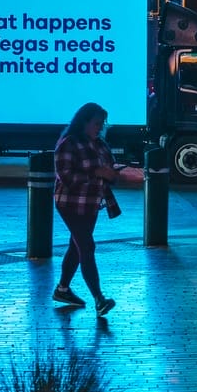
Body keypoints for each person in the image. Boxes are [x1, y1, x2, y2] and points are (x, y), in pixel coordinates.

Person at [52, 102, 119, 316]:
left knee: (77, 245)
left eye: (102, 124)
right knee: (87, 246)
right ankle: (99, 299)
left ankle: (63, 289)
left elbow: (109, 168)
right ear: (84, 122)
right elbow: (66, 177)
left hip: (91, 203)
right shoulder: (69, 144)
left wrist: (113, 173)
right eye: (97, 123)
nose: (100, 128)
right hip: (71, 203)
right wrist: (98, 173)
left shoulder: (99, 144)